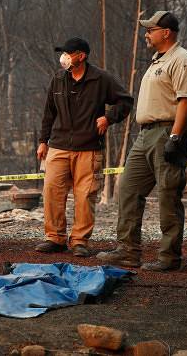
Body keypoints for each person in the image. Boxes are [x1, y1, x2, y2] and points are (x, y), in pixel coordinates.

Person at [97, 11, 187, 272]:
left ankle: (169, 258)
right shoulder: (158, 61)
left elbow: (186, 100)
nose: (146, 34)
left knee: (168, 194)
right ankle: (128, 251)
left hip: (168, 131)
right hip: (145, 134)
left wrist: (175, 136)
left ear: (166, 32)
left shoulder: (182, 60)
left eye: (151, 29)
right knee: (128, 188)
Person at [36, 37, 133, 257]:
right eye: (63, 53)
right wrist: (43, 141)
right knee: (51, 190)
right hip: (58, 145)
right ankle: (55, 238)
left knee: (85, 195)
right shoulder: (59, 79)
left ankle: (80, 241)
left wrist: (109, 117)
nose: (64, 58)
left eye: (69, 53)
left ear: (81, 56)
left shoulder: (101, 79)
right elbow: (49, 112)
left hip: (89, 147)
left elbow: (125, 101)